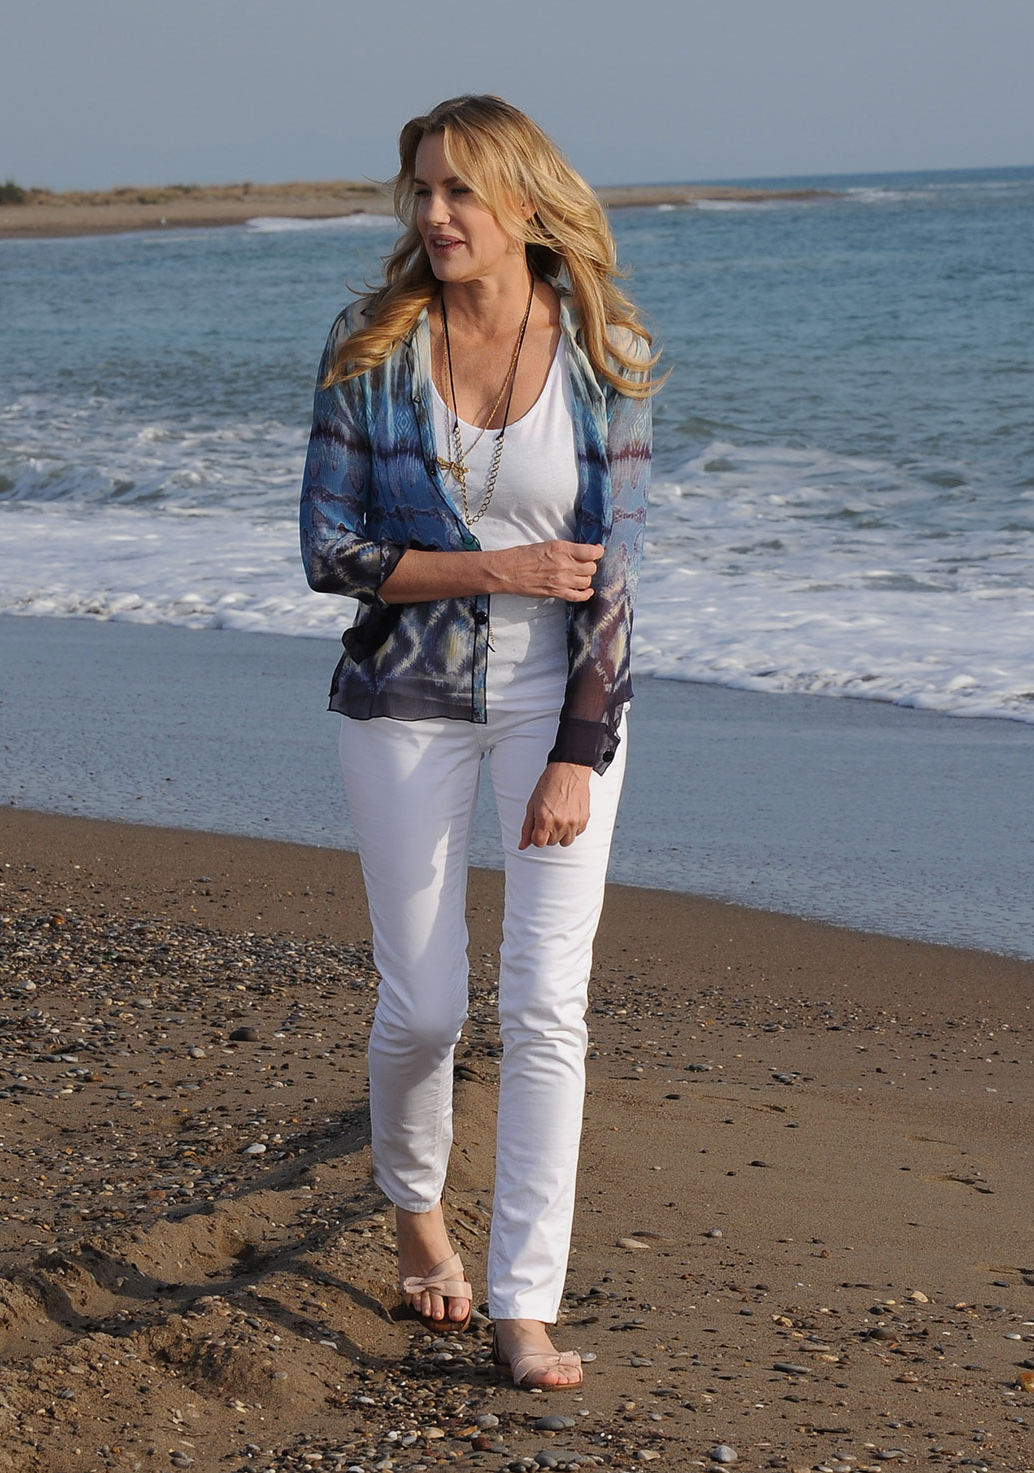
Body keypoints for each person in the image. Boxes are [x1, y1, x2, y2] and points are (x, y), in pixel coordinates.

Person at [299, 94, 659, 1390]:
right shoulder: (372, 346)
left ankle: (524, 1303)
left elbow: (615, 577)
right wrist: (495, 562)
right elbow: (326, 550)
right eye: (422, 190)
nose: (437, 214)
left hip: (558, 703)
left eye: (461, 190)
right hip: (401, 701)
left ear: (525, 202)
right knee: (428, 1004)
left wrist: (578, 746)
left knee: (550, 1004)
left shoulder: (603, 348)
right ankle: (413, 1209)